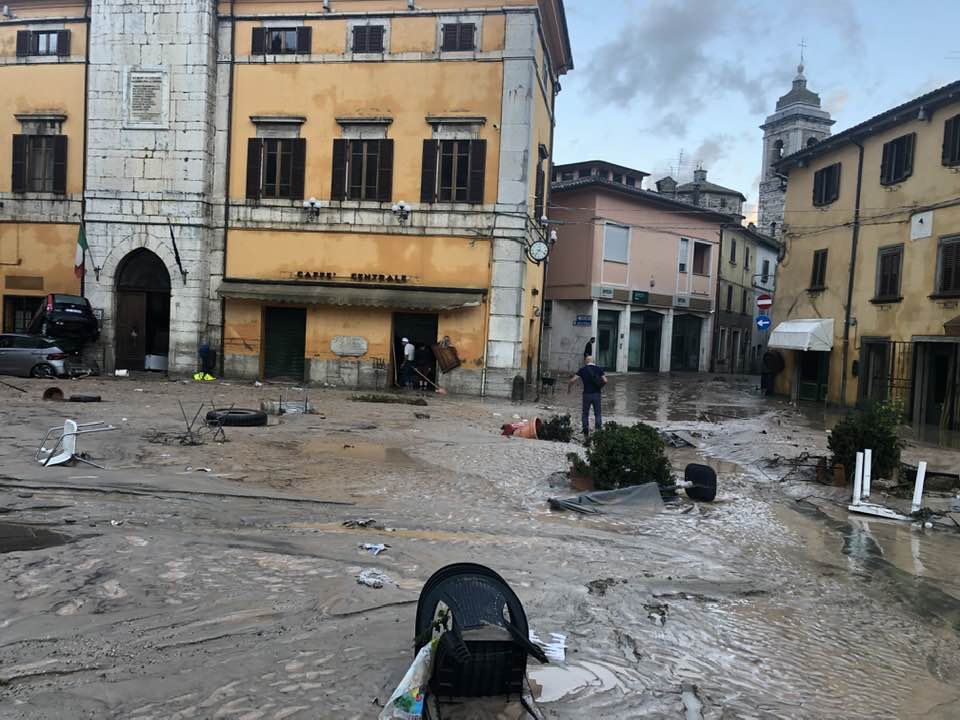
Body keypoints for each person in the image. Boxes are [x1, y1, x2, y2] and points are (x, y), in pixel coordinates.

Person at [568, 355, 606, 438]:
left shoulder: (582, 370)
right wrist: (600, 387)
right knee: (598, 413)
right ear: (593, 361)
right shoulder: (599, 369)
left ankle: (585, 432)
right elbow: (605, 380)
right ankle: (598, 432)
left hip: (586, 394)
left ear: (586, 361)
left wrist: (569, 388)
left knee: (585, 414)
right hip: (597, 394)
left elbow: (573, 380)